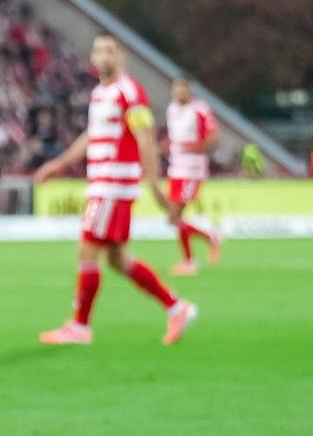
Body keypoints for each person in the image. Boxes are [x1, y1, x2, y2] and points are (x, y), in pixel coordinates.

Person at [34, 35, 197, 346]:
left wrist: (153, 183)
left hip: (113, 184)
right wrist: (58, 164)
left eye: (110, 51)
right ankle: (178, 307)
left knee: (87, 250)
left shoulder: (128, 92)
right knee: (118, 259)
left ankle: (80, 327)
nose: (103, 57)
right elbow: (91, 136)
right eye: (97, 51)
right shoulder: (100, 93)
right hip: (103, 182)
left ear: (121, 56)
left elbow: (145, 137)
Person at [164, 77, 220, 276]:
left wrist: (191, 148)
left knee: (174, 216)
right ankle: (196, 252)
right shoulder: (171, 110)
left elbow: (213, 139)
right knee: (175, 218)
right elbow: (173, 139)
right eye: (176, 89)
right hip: (175, 170)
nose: (179, 93)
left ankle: (198, 251)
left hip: (192, 170)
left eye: (183, 89)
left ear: (190, 90)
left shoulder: (200, 110)